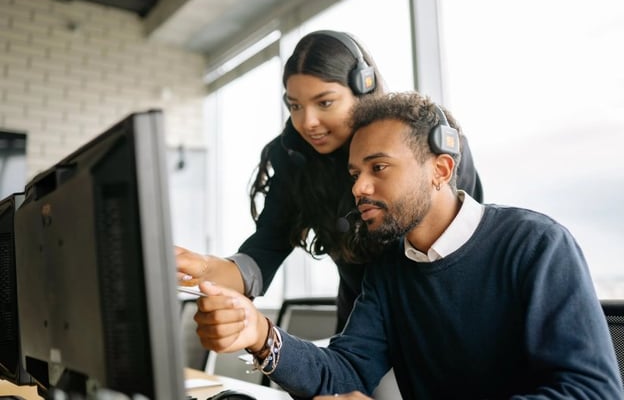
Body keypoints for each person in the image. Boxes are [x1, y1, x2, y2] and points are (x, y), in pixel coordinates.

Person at [191, 91, 623, 399]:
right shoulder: (389, 268)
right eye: (355, 172)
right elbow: (347, 369)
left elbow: (590, 391)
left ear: (440, 169)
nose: (359, 186)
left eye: (379, 167)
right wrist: (262, 336)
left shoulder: (535, 246)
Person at [176, 30, 483, 331]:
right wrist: (201, 268)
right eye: (295, 106)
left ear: (364, 90)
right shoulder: (295, 159)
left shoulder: (431, 145)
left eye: (324, 103)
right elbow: (263, 252)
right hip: (360, 333)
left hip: (437, 322)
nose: (307, 122)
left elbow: (469, 248)